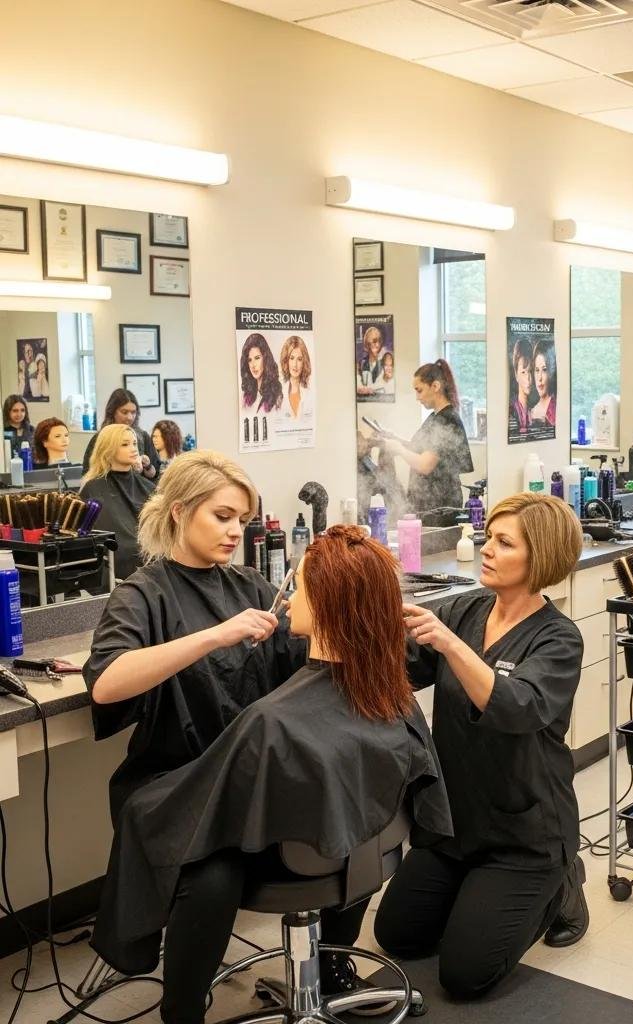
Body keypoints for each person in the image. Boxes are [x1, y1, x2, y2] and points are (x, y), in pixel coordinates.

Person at [86, 514, 451, 1024]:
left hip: (294, 843)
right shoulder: (382, 687)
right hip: (354, 837)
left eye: (298, 590)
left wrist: (147, 807)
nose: (286, 604)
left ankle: (188, 1009)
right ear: (179, 514)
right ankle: (317, 970)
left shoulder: (270, 716)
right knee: (219, 856)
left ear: (322, 605)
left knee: (171, 833)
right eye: (223, 515)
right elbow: (106, 681)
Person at [375, 493, 588, 999]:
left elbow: (516, 707)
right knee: (398, 936)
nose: (487, 548)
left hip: (525, 831)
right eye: (489, 537)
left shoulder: (559, 639)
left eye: (503, 542)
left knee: (465, 976)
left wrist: (449, 643)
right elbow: (401, 668)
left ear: (541, 556)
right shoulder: (465, 609)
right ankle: (476, 892)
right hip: (456, 824)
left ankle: (562, 888)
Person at [383, 360, 473, 521]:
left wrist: (399, 450)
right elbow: (421, 448)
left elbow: (425, 465)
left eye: (419, 390)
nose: (417, 397)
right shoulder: (435, 417)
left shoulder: (447, 420)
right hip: (428, 504)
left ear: (435, 386)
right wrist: (395, 439)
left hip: (440, 507)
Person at [80, 425, 156, 580]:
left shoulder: (148, 487)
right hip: (118, 568)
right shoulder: (94, 489)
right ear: (108, 449)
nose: (133, 448)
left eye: (134, 443)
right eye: (125, 444)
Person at [82, 389, 160, 483]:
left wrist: (147, 466)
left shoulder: (143, 437)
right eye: (124, 412)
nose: (130, 417)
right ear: (112, 412)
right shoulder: (100, 438)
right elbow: (88, 473)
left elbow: (156, 474)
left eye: (133, 412)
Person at [239, 332, 283, 414]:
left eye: (257, 358)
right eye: (249, 360)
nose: (253, 365)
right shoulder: (246, 397)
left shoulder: (276, 394)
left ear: (265, 358)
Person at [279, 334, 313, 420]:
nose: (295, 364)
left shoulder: (309, 393)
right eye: (292, 358)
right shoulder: (278, 393)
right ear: (286, 361)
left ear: (304, 362)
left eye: (299, 359)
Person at [529, 335, 556, 427]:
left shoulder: (556, 406)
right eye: (537, 370)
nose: (539, 378)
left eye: (544, 370)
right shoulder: (530, 412)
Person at [509, 338, 533, 435]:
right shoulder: (511, 411)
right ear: (516, 374)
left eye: (530, 371)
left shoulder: (535, 410)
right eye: (523, 372)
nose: (528, 378)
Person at [356, 325, 386, 396]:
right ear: (367, 344)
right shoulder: (361, 364)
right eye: (375, 341)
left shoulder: (385, 363)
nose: (378, 345)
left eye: (379, 341)